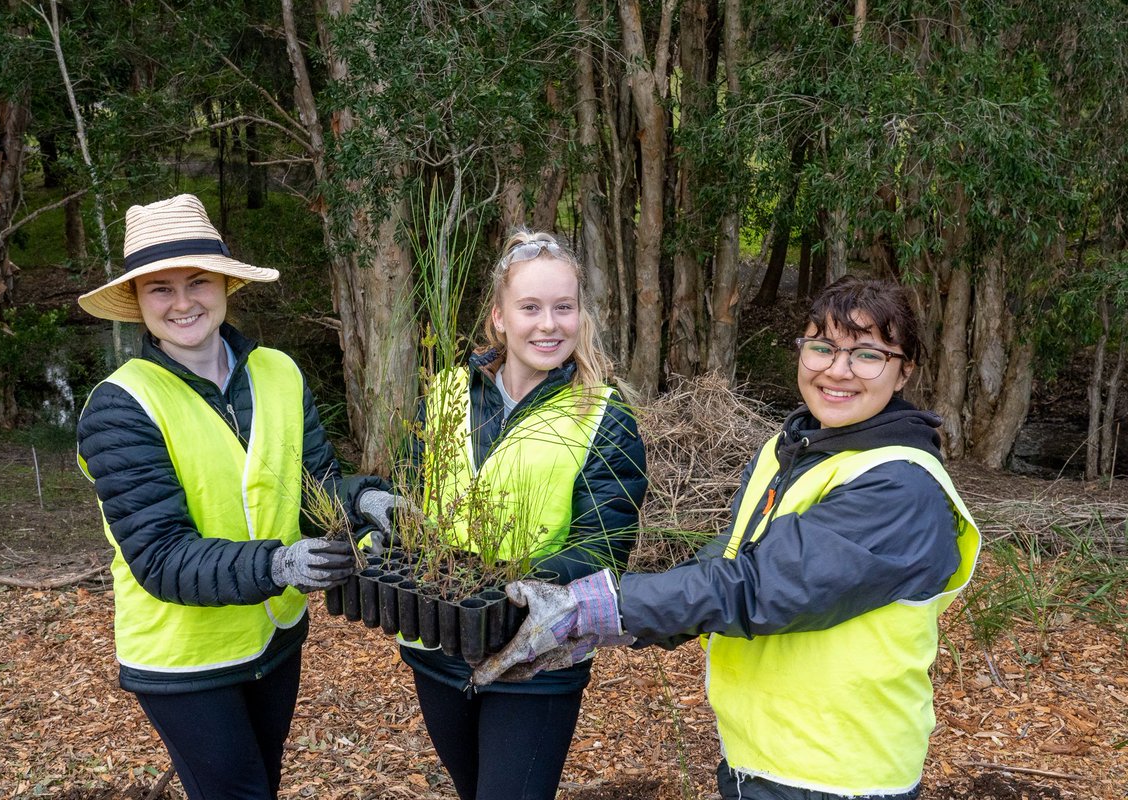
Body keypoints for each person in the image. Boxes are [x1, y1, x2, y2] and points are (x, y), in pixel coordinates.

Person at [475, 276, 982, 800]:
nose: (837, 370)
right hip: (760, 758)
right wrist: (622, 624)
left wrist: (602, 606)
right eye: (823, 347)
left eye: (868, 355)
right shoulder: (792, 450)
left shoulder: (900, 484)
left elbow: (758, 588)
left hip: (839, 775)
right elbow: (728, 557)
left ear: (904, 372)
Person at [76, 194, 403, 800]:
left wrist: (360, 501)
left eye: (198, 281)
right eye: (159, 289)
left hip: (274, 636)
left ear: (225, 284)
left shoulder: (278, 371)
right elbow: (161, 556)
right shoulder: (120, 407)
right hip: (185, 656)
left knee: (263, 782)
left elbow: (313, 486)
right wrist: (281, 564)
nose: (182, 303)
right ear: (138, 303)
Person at [401, 230, 648, 800]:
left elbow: (603, 544)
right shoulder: (444, 395)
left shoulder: (604, 416)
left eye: (564, 307)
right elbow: (411, 507)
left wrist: (507, 587)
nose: (548, 324)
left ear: (581, 315)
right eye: (530, 307)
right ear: (498, 318)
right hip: (438, 647)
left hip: (536, 657)